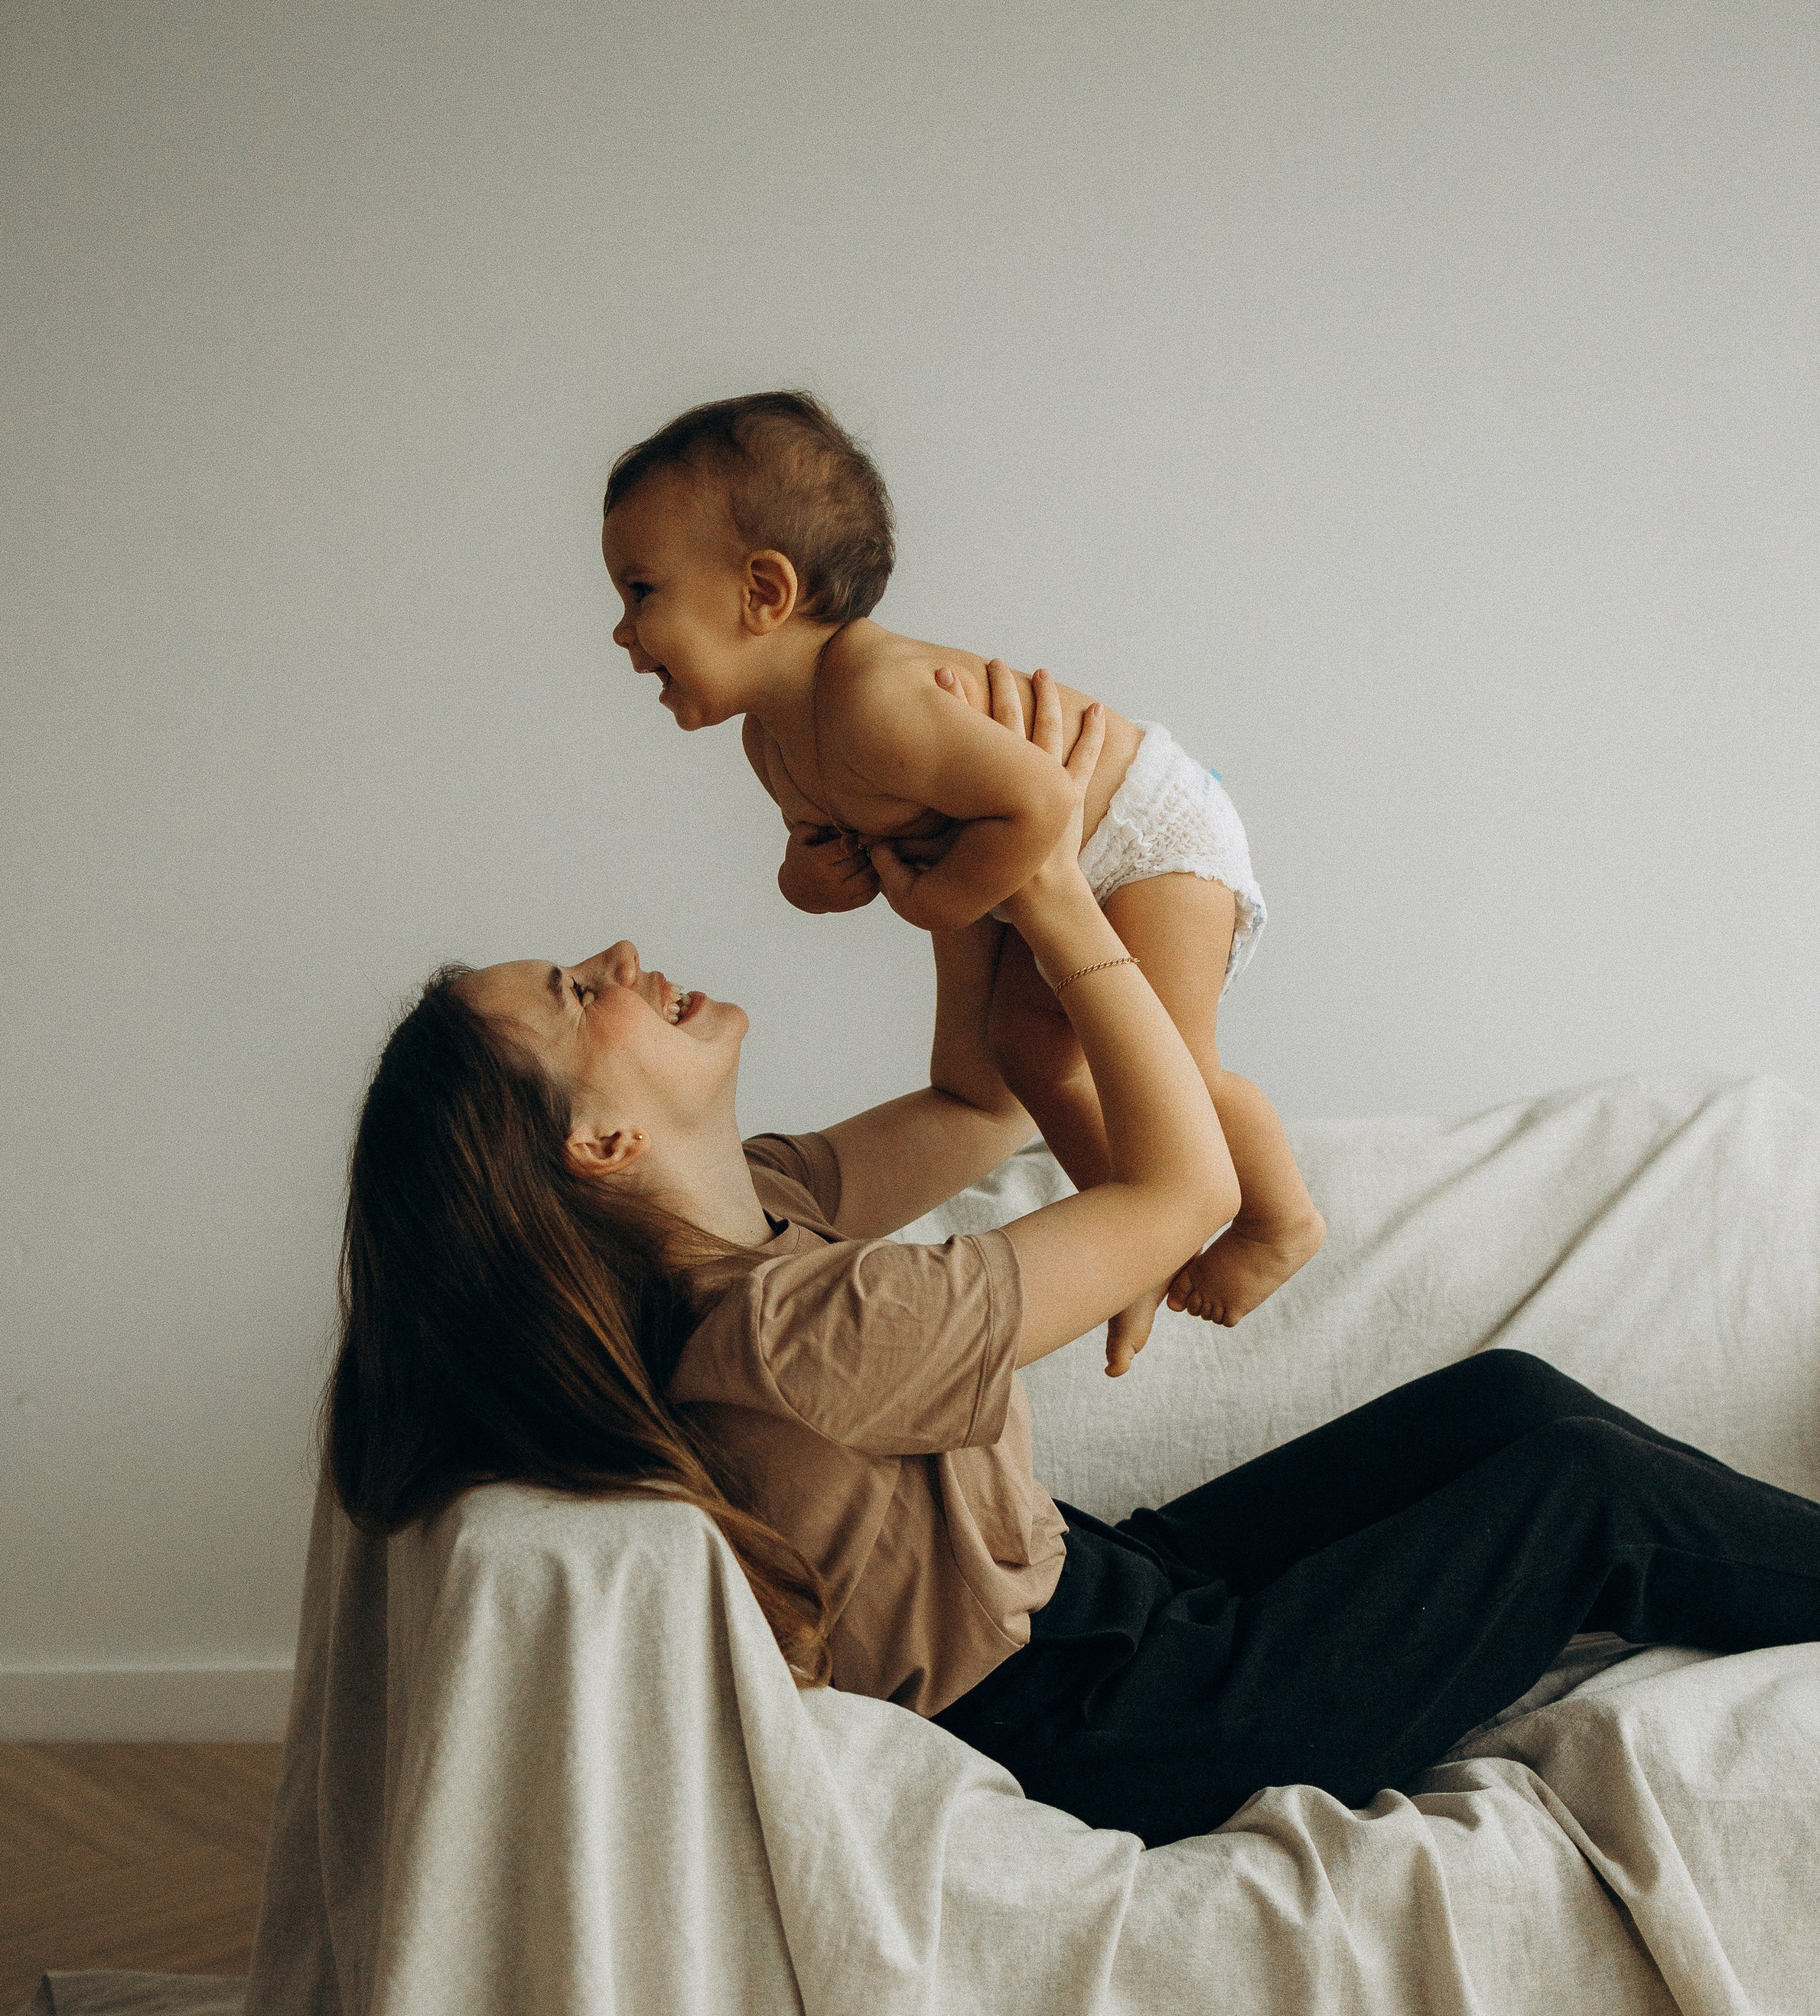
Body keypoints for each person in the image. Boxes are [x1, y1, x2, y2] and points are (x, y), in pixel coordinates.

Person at [327, 673, 1820, 1849]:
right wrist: (1046, 889)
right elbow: (1185, 1193)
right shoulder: (805, 1329)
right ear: (598, 1144)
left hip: (1107, 1593)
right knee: (1583, 1492)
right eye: (576, 993)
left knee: (1509, 1404)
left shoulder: (755, 1213)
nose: (617, 954)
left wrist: (947, 856)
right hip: (1124, 1732)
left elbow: (977, 1102)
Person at [600, 388, 1323, 1364]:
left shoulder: (874, 698)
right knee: (1028, 1052)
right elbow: (818, 872)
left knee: (1178, 1070)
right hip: (1050, 868)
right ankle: (1138, 1241)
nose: (622, 631)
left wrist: (935, 900)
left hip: (1145, 827)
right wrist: (813, 874)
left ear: (763, 592)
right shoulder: (772, 743)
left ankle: (1279, 1220)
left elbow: (1043, 804)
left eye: (641, 592)